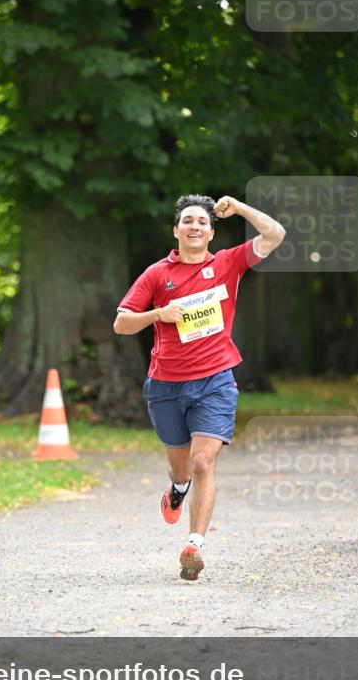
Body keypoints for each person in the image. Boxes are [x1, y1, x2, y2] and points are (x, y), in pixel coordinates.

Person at [113, 194, 286, 581]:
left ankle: (195, 545)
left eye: (202, 222)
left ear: (212, 231)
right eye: (187, 221)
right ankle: (177, 489)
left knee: (203, 461)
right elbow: (121, 323)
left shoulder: (228, 263)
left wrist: (240, 208)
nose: (195, 226)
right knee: (181, 468)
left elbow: (275, 234)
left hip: (215, 381)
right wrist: (159, 313)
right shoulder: (158, 274)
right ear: (176, 230)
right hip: (166, 385)